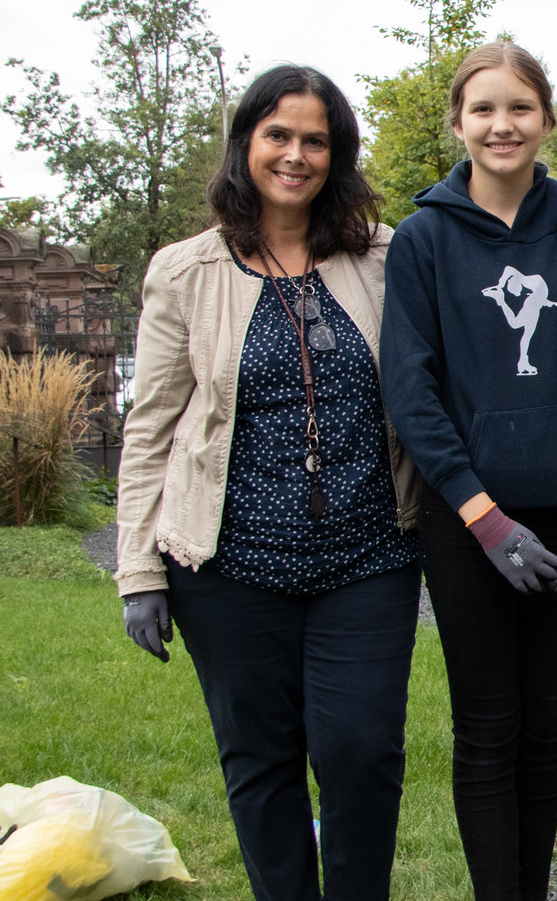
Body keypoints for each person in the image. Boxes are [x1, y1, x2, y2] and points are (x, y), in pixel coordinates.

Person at [115, 65, 421, 901]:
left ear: (337, 154)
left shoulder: (383, 255)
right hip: (230, 565)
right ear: (245, 142)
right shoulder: (184, 270)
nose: (295, 155)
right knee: (260, 759)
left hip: (368, 554)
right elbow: (150, 428)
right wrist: (139, 571)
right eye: (278, 135)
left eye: (315, 140)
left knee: (362, 751)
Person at [379, 41, 557, 901]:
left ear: (547, 119)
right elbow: (411, 392)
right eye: (485, 109)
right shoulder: (422, 243)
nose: (503, 125)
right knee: (489, 729)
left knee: (547, 729)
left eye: (520, 107)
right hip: (470, 528)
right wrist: (484, 518)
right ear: (459, 123)